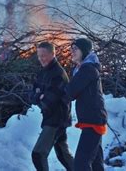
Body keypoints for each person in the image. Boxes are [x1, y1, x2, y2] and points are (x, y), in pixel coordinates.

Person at [64, 38, 108, 171]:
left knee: (81, 164)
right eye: (71, 49)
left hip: (93, 121)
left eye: (75, 49)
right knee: (96, 164)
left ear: (84, 51)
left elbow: (70, 92)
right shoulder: (83, 69)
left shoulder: (87, 69)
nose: (72, 52)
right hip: (94, 119)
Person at [31, 42, 74, 171]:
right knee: (63, 155)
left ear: (52, 54)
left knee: (38, 155)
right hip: (51, 118)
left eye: (44, 55)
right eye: (39, 56)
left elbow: (50, 100)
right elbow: (32, 94)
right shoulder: (43, 72)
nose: (41, 59)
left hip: (56, 120)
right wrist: (39, 96)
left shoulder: (58, 74)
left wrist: (39, 96)